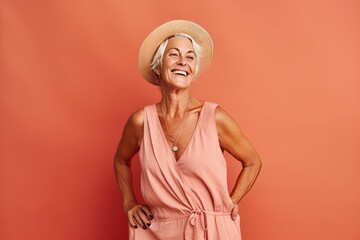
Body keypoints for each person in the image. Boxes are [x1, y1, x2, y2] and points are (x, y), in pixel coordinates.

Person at [114, 20, 262, 240]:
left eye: (190, 57)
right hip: (159, 232)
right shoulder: (141, 122)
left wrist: (229, 203)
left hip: (212, 232)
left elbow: (253, 161)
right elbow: (121, 161)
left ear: (194, 70)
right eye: (174, 54)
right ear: (158, 65)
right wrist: (129, 203)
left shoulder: (215, 118)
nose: (183, 62)